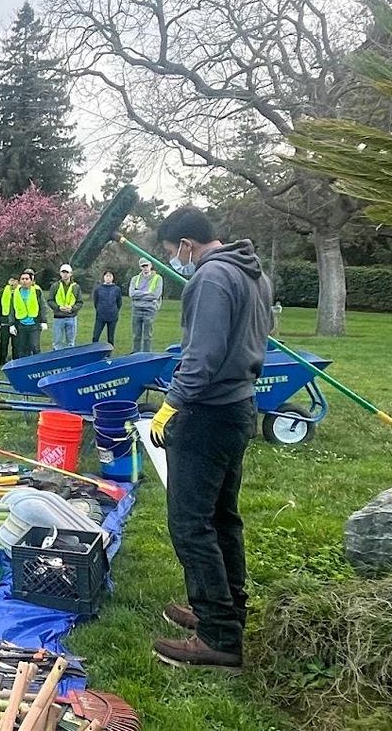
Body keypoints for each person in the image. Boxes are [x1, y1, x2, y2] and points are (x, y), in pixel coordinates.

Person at [149, 206, 273, 671]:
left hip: (208, 413)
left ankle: (218, 638)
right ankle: (224, 612)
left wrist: (171, 404)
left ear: (185, 244)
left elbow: (201, 355)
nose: (175, 259)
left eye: (171, 251)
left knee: (190, 524)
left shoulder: (211, 278)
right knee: (223, 519)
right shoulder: (253, 272)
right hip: (240, 405)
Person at [129, 257, 164, 352]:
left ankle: (146, 354)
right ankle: (135, 354)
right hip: (136, 309)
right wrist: (147, 293)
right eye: (143, 266)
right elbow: (132, 294)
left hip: (150, 310)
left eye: (146, 265)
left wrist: (139, 293)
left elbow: (156, 295)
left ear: (151, 265)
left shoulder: (158, 278)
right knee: (136, 335)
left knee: (147, 336)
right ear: (140, 267)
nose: (145, 268)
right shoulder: (135, 279)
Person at [9, 271, 45, 359]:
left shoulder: (37, 292)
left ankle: (38, 364)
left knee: (35, 347)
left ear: (31, 281)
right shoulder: (15, 294)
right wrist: (11, 324)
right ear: (20, 281)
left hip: (34, 324)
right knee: (22, 348)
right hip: (21, 324)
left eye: (27, 279)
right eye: (23, 279)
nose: (25, 281)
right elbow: (12, 309)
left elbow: (42, 306)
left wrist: (44, 321)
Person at [47, 264, 83, 350]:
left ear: (71, 274)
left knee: (70, 343)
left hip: (71, 317)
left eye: (67, 272)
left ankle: (69, 360)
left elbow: (80, 302)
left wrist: (72, 308)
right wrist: (58, 307)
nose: (65, 274)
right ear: (60, 274)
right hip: (58, 318)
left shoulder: (76, 287)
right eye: (63, 272)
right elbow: (50, 301)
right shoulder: (55, 286)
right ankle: (56, 359)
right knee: (57, 342)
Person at [92, 270, 123, 348]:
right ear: (104, 277)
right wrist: (99, 309)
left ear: (113, 278)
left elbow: (119, 302)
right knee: (96, 335)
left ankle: (109, 352)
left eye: (110, 276)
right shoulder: (98, 289)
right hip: (100, 316)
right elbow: (96, 301)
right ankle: (94, 349)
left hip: (112, 316)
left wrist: (115, 310)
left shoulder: (116, 289)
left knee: (111, 336)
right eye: (106, 276)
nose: (108, 278)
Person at [0, 277, 17, 365]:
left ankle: (16, 359)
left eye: (14, 280)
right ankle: (2, 360)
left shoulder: (20, 291)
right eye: (11, 280)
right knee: (4, 342)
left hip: (16, 321)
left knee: (16, 343)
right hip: (4, 320)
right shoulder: (3, 292)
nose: (12, 282)